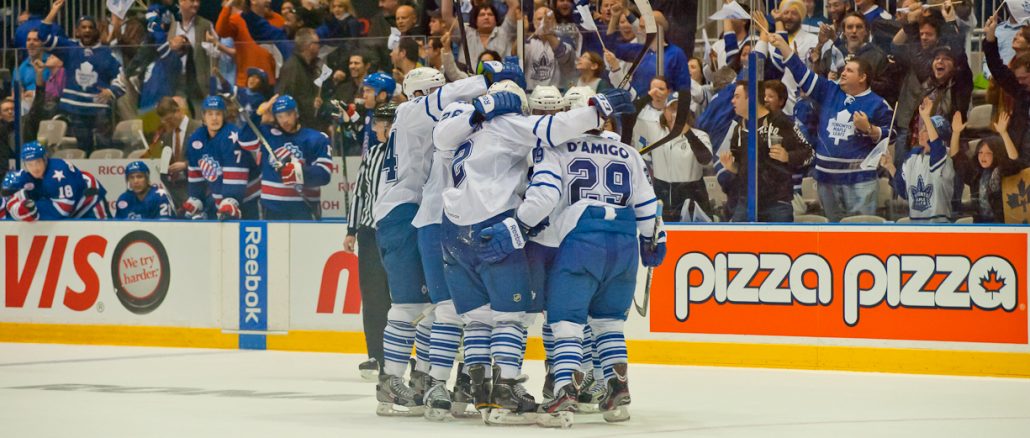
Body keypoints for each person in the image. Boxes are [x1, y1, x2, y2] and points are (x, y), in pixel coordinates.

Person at [432, 79, 634, 424]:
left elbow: (439, 137)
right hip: (498, 227)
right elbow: (554, 134)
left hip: (452, 231)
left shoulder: (466, 125)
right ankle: (509, 387)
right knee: (519, 315)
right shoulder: (515, 128)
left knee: (479, 318)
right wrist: (598, 109)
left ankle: (479, 391)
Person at [371, 63, 507, 418]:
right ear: (417, 94)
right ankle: (389, 381)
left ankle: (424, 376)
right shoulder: (411, 112)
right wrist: (484, 83)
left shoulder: (431, 120)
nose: (436, 96)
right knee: (408, 306)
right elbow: (446, 100)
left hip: (416, 210)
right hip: (401, 211)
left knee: (435, 305)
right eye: (429, 91)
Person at [516, 112, 664, 428]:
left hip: (579, 239)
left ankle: (565, 390)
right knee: (609, 323)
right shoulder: (629, 153)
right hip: (624, 241)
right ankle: (616, 389)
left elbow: (547, 194)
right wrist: (653, 239)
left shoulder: (559, 147)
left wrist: (520, 227)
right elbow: (648, 204)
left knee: (566, 321)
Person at [769, 33, 892, 222]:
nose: (843, 73)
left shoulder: (878, 103)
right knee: (833, 238)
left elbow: (891, 134)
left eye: (849, 71)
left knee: (860, 236)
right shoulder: (829, 90)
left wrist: (870, 129)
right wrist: (784, 48)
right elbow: (802, 74)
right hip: (826, 179)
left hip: (859, 181)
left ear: (862, 77)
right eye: (844, 70)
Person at [344, 102, 397, 380]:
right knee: (374, 298)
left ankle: (401, 356)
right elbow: (360, 195)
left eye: (389, 122)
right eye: (379, 122)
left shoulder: (405, 154)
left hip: (398, 232)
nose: (383, 127)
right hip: (369, 232)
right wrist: (352, 230)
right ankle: (376, 355)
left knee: (402, 299)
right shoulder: (371, 155)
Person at [38, 0, 126, 155]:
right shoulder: (69, 48)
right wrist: (53, 11)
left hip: (99, 110)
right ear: (77, 30)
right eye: (83, 27)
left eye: (91, 27)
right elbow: (43, 36)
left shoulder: (107, 53)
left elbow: (121, 77)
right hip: (74, 109)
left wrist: (111, 91)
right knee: (81, 150)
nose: (87, 30)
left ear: (96, 31)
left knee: (103, 148)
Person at [722, 80, 813, 222]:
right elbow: (740, 167)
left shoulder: (781, 122)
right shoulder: (739, 128)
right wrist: (732, 167)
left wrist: (788, 156)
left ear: (750, 98)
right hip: (747, 202)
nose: (732, 101)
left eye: (737, 96)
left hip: (776, 203)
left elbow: (809, 154)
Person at [239, 95, 332, 220]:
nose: (285, 120)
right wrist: (258, 114)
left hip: (304, 208)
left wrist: (298, 171)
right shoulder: (267, 134)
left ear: (296, 113)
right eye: (280, 116)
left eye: (288, 114)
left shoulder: (315, 138)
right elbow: (245, 141)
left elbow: (324, 175)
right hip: (271, 208)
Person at [184, 96, 261, 220]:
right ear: (203, 117)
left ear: (223, 115)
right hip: (221, 201)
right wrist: (196, 198)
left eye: (218, 114)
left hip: (249, 199)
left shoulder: (232, 136)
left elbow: (236, 173)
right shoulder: (196, 139)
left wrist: (231, 199)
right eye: (210, 114)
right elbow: (195, 172)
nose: (214, 118)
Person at [880, 98, 954, 223]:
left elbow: (936, 145)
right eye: (922, 128)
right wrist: (890, 166)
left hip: (940, 226)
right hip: (915, 225)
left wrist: (926, 116)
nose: (921, 132)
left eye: (927, 130)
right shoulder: (912, 157)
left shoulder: (943, 157)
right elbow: (904, 191)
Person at [6, 142, 109, 221]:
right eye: (30, 164)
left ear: (45, 159)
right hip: (70, 206)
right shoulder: (25, 176)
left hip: (88, 200)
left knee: (104, 234)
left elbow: (62, 210)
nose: (35, 168)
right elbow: (10, 201)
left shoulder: (59, 172)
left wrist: (33, 210)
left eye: (37, 162)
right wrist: (20, 210)